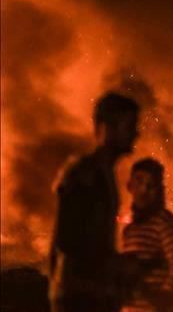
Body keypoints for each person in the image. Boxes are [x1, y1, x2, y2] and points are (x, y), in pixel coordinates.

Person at [50, 92, 140, 312]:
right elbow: (67, 240)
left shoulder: (104, 174)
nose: (136, 134)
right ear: (107, 128)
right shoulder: (85, 175)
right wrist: (113, 267)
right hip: (80, 298)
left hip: (91, 295)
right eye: (129, 126)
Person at [120, 158, 173, 312]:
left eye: (150, 184)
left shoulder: (166, 224)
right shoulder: (130, 230)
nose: (144, 189)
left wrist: (159, 300)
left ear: (159, 189)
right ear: (130, 186)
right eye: (139, 181)